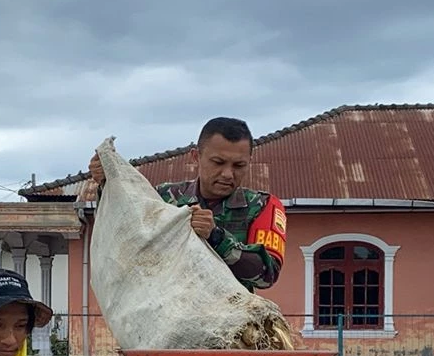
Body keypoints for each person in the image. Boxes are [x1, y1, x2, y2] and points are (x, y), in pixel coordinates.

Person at [87, 116, 286, 291]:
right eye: (218, 162)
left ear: (249, 161)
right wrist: (107, 184)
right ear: (195, 156)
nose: (228, 174)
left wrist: (217, 238)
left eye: (239, 165)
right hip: (164, 322)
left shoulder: (262, 206)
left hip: (231, 326)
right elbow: (121, 234)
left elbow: (267, 276)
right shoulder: (164, 198)